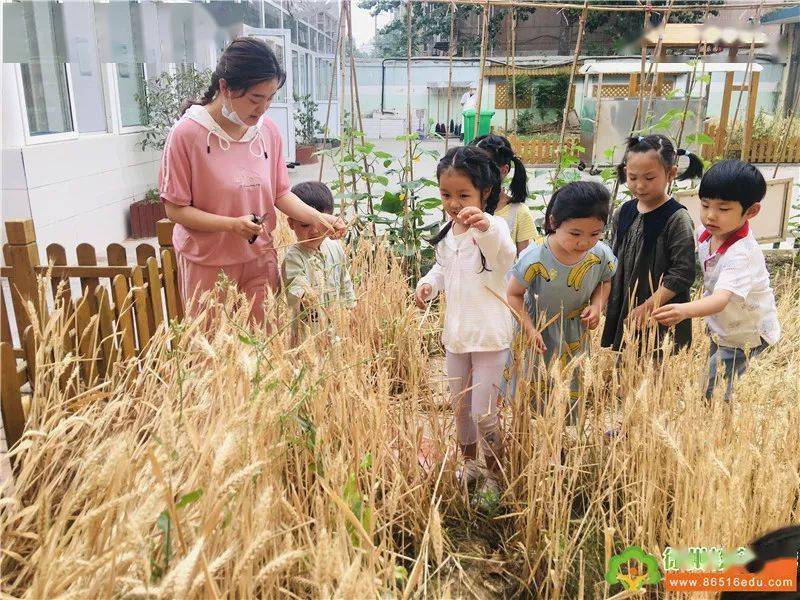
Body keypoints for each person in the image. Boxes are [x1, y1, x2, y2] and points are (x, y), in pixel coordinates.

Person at [158, 37, 345, 327]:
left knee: (264, 349)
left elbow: (281, 193)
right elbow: (175, 210)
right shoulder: (187, 134)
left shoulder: (267, 131)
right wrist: (231, 225)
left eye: (270, 98)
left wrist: (319, 217)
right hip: (208, 263)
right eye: (255, 99)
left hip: (259, 258)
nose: (263, 109)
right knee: (212, 354)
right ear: (225, 88)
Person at [414, 146, 516, 495]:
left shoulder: (495, 228)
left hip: (489, 337)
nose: (454, 203)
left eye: (463, 195)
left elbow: (502, 251)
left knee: (485, 413)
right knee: (460, 409)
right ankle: (470, 464)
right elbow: (442, 268)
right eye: (446, 194)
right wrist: (428, 284)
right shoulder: (448, 233)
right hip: (456, 337)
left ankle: (496, 475)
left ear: (485, 193)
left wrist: (485, 224)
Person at [652, 160, 780, 400]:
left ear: (751, 211)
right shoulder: (708, 231)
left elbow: (721, 299)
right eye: (705, 205)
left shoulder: (741, 253)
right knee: (718, 384)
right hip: (725, 327)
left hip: (747, 332)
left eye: (723, 208)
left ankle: (717, 430)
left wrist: (683, 310)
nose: (711, 215)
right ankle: (718, 421)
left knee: (712, 390)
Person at [505, 181, 616, 423]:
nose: (584, 242)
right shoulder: (535, 257)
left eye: (595, 234)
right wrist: (529, 329)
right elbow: (513, 294)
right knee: (531, 388)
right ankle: (526, 439)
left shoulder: (600, 255)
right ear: (554, 223)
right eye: (575, 233)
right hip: (537, 334)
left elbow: (604, 281)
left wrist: (597, 306)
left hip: (575, 334)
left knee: (569, 388)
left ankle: (558, 441)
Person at [600, 134, 703, 354]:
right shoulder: (623, 212)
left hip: (658, 309)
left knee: (654, 362)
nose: (639, 185)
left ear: (671, 174)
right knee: (624, 361)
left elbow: (683, 272)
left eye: (649, 178)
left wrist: (648, 307)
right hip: (625, 303)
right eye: (632, 177)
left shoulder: (677, 218)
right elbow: (612, 257)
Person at [282, 181, 356, 340]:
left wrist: (351, 308)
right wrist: (306, 296)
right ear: (291, 223)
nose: (314, 231)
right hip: (308, 333)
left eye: (321, 224)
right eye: (305, 225)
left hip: (336, 328)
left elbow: (345, 280)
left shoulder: (335, 248)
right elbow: (295, 290)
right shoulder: (294, 258)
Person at [472, 134, 538, 255]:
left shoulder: (518, 212)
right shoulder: (466, 206)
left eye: (486, 169)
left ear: (504, 170)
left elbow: (524, 262)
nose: (478, 174)